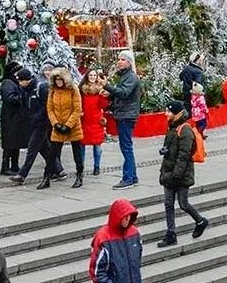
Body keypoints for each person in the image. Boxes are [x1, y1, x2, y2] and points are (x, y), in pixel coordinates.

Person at [156, 101, 209, 248]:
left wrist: (176, 174)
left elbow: (184, 155)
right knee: (168, 204)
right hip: (169, 172)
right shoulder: (171, 127)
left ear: (176, 113)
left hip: (180, 174)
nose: (166, 114)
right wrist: (165, 151)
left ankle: (200, 221)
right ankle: (171, 234)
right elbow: (172, 148)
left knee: (183, 203)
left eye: (168, 112)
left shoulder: (185, 130)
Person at [43, 68, 86, 190]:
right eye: (56, 79)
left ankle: (79, 176)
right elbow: (50, 109)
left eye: (60, 79)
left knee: (77, 153)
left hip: (72, 126)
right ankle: (46, 177)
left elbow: (77, 109)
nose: (58, 82)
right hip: (58, 126)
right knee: (52, 154)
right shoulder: (53, 91)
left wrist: (68, 125)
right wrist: (55, 124)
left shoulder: (73, 89)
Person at [107, 51, 144, 190]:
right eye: (119, 59)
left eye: (123, 59)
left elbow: (124, 93)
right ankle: (133, 177)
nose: (119, 62)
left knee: (126, 148)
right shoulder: (125, 76)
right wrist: (110, 94)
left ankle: (128, 178)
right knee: (126, 147)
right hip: (124, 114)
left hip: (126, 116)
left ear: (129, 62)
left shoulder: (131, 77)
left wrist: (107, 86)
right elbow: (121, 94)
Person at [90, 199, 142, 283]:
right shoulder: (102, 238)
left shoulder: (134, 233)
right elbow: (97, 272)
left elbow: (137, 262)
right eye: (125, 217)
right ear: (118, 217)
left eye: (129, 216)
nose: (127, 219)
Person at [0, 68, 33, 177]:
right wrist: (21, 97)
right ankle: (5, 167)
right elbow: (9, 98)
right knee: (9, 143)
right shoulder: (8, 83)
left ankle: (14, 165)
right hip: (10, 118)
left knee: (16, 142)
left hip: (16, 118)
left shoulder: (14, 83)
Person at [82, 69, 109, 176]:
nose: (92, 77)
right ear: (87, 76)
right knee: (81, 145)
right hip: (84, 120)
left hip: (96, 121)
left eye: (94, 75)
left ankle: (97, 166)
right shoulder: (82, 90)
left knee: (97, 146)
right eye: (90, 75)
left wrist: (104, 96)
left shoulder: (100, 90)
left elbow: (103, 106)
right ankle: (81, 166)